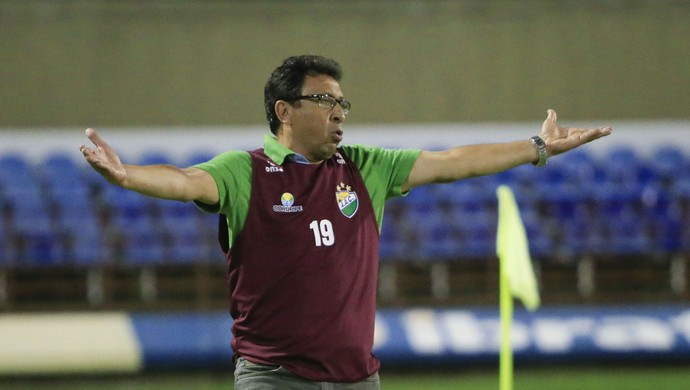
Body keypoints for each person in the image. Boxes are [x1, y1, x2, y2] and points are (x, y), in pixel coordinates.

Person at [79, 54, 612, 389]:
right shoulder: (245, 172)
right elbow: (184, 181)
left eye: (343, 103)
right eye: (324, 101)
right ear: (284, 111)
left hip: (360, 379)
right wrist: (126, 176)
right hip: (274, 379)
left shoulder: (365, 167)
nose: (340, 113)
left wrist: (538, 147)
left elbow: (455, 162)